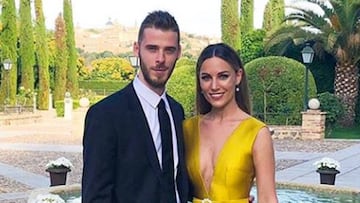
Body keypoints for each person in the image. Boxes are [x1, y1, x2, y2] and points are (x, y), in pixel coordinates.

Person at [82, 10, 189, 203]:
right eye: (152, 49)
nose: (160, 59)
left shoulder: (176, 112)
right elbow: (95, 197)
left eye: (169, 50)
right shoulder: (105, 115)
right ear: (137, 49)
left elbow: (178, 182)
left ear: (179, 52)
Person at [183, 43, 279, 203]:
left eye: (223, 76)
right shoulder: (187, 129)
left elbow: (268, 198)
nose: (214, 86)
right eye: (206, 78)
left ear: (238, 76)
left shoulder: (256, 133)